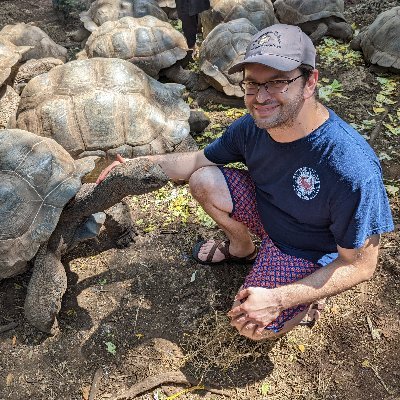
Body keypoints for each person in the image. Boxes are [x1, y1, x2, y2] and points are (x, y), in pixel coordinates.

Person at [97, 24, 394, 341]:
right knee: (203, 180)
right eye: (252, 85)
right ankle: (242, 248)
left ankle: (307, 297)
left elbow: (361, 265)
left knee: (252, 324)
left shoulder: (351, 166)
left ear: (310, 82)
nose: (261, 97)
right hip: (268, 213)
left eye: (278, 82)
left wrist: (279, 299)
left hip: (306, 248)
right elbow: (198, 161)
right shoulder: (252, 128)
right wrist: (137, 167)